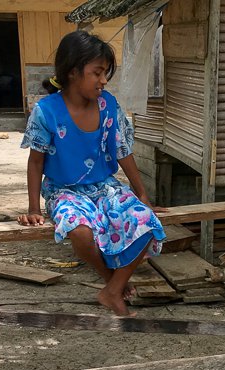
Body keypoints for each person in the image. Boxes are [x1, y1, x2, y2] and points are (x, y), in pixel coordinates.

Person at [19, 30, 166, 316]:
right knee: (82, 233)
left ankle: (112, 291)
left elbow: (123, 150)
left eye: (105, 73)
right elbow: (35, 162)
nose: (104, 80)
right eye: (97, 72)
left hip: (105, 187)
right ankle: (111, 284)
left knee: (146, 222)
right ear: (73, 72)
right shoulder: (46, 111)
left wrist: (143, 196)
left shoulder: (108, 105)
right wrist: (34, 207)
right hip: (62, 191)